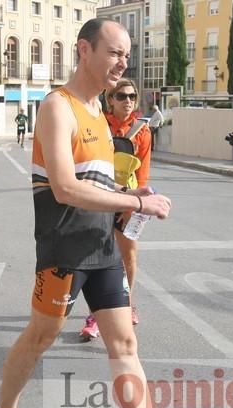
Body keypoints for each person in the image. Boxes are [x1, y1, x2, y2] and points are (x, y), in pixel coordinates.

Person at [0, 18, 171, 408]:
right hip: (63, 250)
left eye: (127, 55)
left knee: (124, 344)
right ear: (84, 50)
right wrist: (134, 205)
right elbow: (66, 188)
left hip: (102, 248)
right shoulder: (57, 107)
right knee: (40, 337)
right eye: (115, 53)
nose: (123, 63)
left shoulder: (98, 113)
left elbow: (96, 183)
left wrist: (131, 195)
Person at [80, 78, 152, 340]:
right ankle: (95, 315)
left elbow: (143, 173)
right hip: (100, 196)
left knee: (128, 255)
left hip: (129, 199)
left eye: (132, 96)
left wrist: (135, 204)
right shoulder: (99, 124)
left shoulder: (143, 131)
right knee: (96, 257)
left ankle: (126, 305)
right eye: (121, 96)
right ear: (110, 99)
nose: (128, 101)